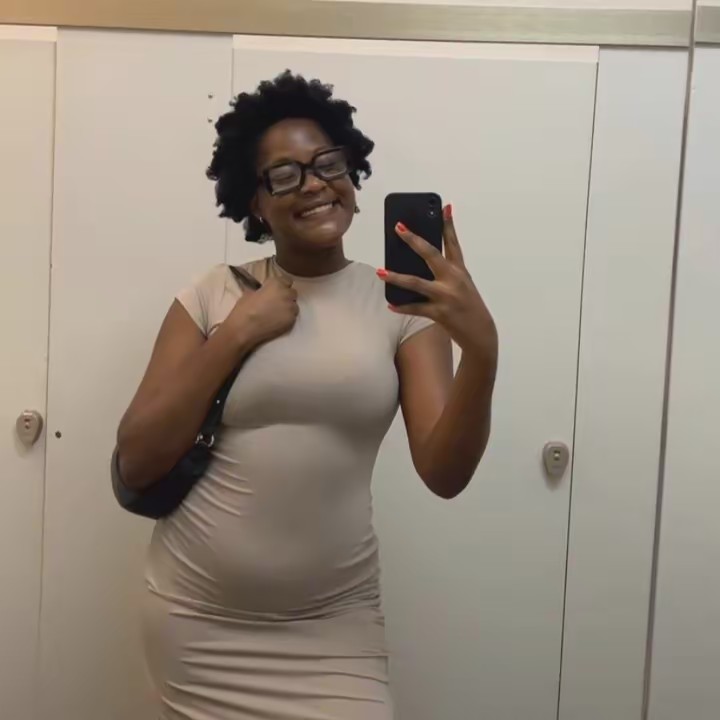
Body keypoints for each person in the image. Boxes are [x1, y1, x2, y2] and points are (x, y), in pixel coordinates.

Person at [116, 71, 498, 720]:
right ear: (255, 201)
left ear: (352, 173)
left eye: (328, 164)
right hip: (197, 623)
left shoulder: (403, 306)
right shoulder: (213, 295)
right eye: (285, 174)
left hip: (334, 627)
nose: (315, 183)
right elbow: (137, 457)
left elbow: (445, 474)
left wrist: (482, 353)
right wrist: (236, 335)